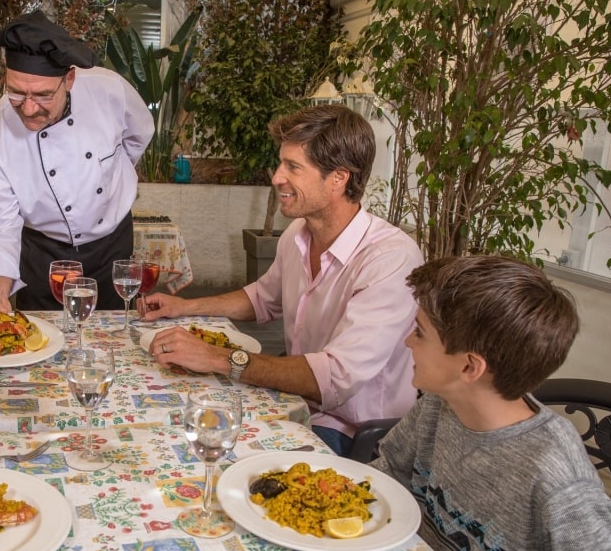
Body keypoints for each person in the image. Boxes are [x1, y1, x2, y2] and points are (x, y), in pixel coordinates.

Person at [370, 255, 611, 551]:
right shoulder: (441, 406)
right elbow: (385, 476)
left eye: (420, 333)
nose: (408, 341)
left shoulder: (557, 483)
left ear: (469, 366)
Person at [142, 105, 423, 456]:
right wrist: (185, 306)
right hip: (296, 405)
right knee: (177, 426)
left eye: (292, 167)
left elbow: (335, 379)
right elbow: (263, 298)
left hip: (355, 435)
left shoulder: (391, 259)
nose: (276, 177)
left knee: (209, 453)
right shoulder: (297, 235)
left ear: (339, 177)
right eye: (281, 163)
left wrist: (218, 357)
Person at [0, 9, 154, 312]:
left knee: (112, 336)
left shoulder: (110, 91)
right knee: (41, 340)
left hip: (111, 246)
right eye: (16, 93)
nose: (29, 109)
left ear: (69, 78)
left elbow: (139, 136)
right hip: (43, 255)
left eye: (43, 96)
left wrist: (109, 178)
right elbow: (1, 224)